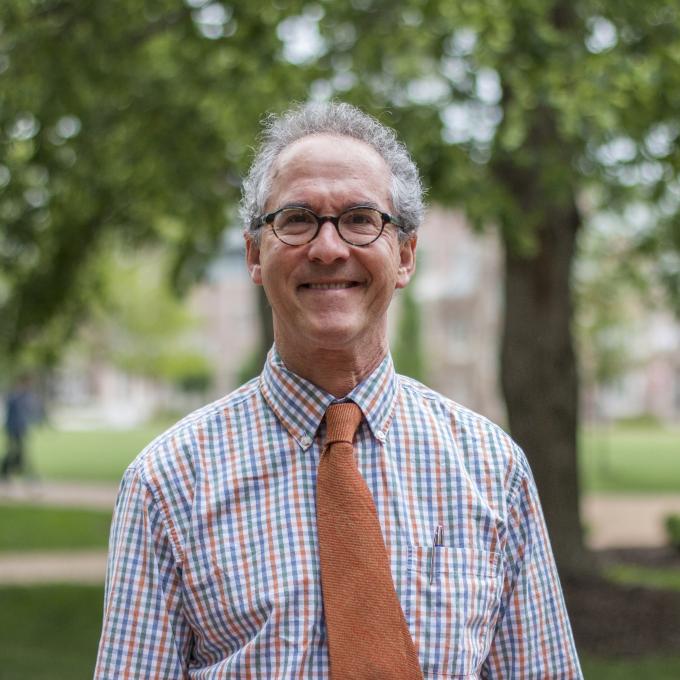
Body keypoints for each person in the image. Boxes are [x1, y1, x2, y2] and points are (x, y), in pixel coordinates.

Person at [95, 102, 583, 679]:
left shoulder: (493, 470)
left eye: (359, 219)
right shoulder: (166, 484)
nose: (328, 248)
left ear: (403, 255)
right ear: (255, 254)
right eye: (297, 219)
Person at [1, 375, 37, 479]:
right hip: (12, 428)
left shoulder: (26, 396)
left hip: (21, 428)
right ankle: (6, 471)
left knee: (20, 451)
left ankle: (14, 469)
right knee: (12, 451)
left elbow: (27, 413)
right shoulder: (14, 396)